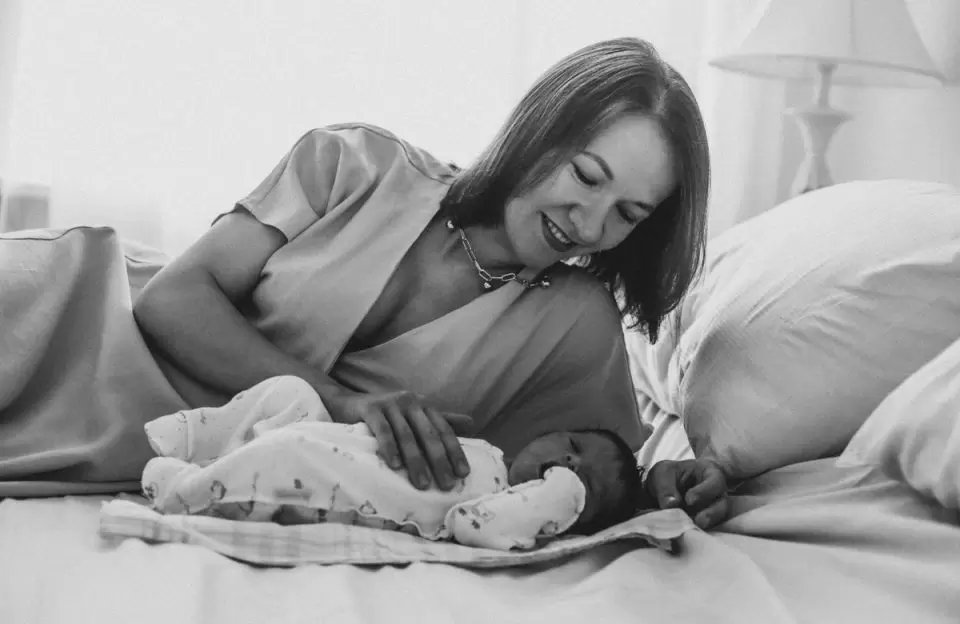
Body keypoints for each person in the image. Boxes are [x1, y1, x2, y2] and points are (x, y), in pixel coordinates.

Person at [0, 37, 728, 529]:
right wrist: (340, 401)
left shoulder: (575, 324)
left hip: (128, 442)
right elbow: (172, 299)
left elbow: (595, 473)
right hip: (67, 314)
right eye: (587, 176)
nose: (591, 223)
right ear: (541, 130)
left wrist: (671, 486)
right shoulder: (356, 163)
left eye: (628, 214)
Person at [141, 375, 644, 550]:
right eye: (572, 446)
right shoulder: (490, 452)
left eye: (583, 481)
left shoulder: (504, 512)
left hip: (324, 477)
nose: (566, 461)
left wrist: (558, 494)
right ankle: (196, 438)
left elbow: (471, 526)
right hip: (339, 435)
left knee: (279, 458)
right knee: (291, 391)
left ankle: (185, 488)